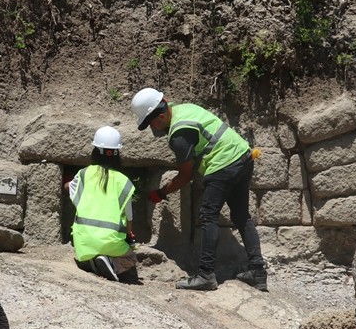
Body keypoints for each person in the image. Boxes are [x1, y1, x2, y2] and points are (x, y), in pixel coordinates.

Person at [131, 87, 267, 292]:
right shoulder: (184, 109)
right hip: (243, 155)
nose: (153, 129)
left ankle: (206, 275)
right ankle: (258, 272)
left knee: (208, 215)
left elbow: (185, 176)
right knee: (241, 216)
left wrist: (161, 193)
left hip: (223, 163)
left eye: (151, 123)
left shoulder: (179, 134)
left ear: (160, 116)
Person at [65, 125, 140, 284]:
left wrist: (67, 183)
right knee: (130, 258)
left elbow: (72, 191)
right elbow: (129, 216)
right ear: (117, 154)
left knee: (83, 253)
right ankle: (110, 262)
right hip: (112, 242)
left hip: (83, 241)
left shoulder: (83, 174)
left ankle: (91, 263)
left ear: (94, 151)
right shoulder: (123, 181)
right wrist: (129, 235)